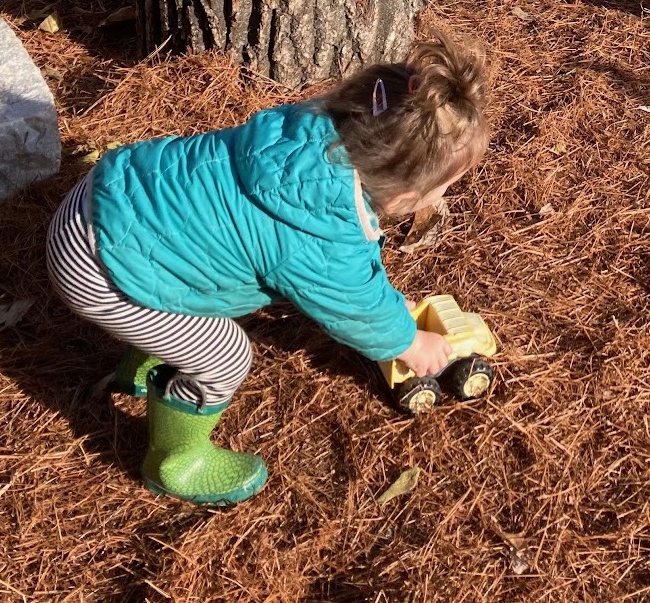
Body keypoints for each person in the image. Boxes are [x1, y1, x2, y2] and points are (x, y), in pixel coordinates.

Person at [46, 33, 491, 505]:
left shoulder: (307, 129)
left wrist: (389, 303)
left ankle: (149, 356)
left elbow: (355, 265)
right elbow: (357, 307)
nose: (441, 198)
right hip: (99, 269)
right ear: (402, 199)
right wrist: (409, 341)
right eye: (442, 188)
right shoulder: (322, 232)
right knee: (224, 356)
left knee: (196, 277)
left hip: (110, 194)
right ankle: (176, 461)